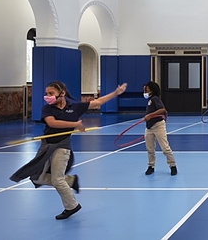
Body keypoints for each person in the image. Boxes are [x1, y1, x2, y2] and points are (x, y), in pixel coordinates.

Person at [10, 80, 127, 220]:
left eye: (51, 93)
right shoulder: (47, 109)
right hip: (46, 145)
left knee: (57, 180)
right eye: (46, 93)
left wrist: (115, 93)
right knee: (37, 177)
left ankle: (71, 206)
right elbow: (52, 123)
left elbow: (97, 102)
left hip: (62, 146)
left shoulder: (75, 107)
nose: (47, 96)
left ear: (62, 93)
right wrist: (75, 124)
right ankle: (70, 181)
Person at [143, 81, 177, 176]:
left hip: (158, 125)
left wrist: (150, 115)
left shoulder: (155, 99)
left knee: (165, 148)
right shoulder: (149, 100)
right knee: (150, 148)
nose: (145, 90)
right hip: (149, 127)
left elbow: (163, 110)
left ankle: (172, 165)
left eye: (147, 88)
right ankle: (151, 166)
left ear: (152, 89)